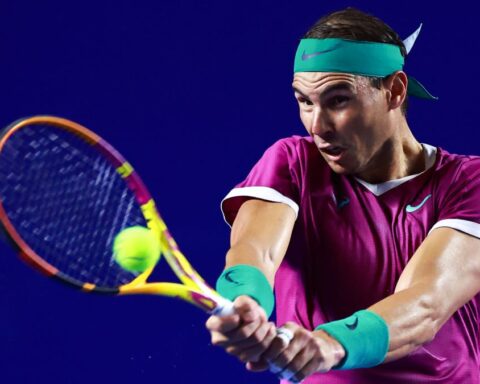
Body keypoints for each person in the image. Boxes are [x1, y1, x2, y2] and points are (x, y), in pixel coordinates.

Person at [205, 7, 480, 384]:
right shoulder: (292, 162)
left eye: (338, 100)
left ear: (394, 90)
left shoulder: (469, 181)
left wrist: (330, 345)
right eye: (304, 102)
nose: (317, 125)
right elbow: (255, 250)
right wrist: (246, 303)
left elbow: (426, 302)